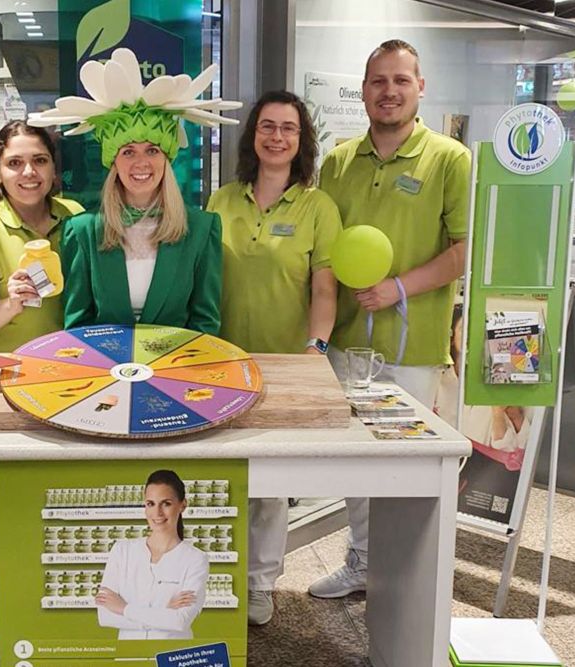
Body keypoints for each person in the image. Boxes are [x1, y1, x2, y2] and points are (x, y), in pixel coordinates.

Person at [308, 39, 471, 600]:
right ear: (363, 90)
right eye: (378, 81)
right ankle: (361, 562)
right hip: (347, 339)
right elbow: (324, 248)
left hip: (413, 343)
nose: (390, 91)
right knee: (355, 464)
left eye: (401, 80)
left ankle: (406, 577)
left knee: (409, 464)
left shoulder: (449, 158)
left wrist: (398, 287)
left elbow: (463, 249)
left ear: (420, 87)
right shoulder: (337, 161)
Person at [206, 90, 340, 624]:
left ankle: (260, 584)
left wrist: (316, 352)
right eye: (267, 126)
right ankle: (213, 576)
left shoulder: (317, 206)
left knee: (270, 485)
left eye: (288, 128)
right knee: (218, 476)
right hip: (219, 360)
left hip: (284, 362)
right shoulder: (221, 200)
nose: (277, 136)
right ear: (253, 136)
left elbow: (325, 290)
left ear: (302, 139)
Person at [28, 48, 241, 333]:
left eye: (152, 150)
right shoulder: (82, 231)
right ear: (113, 161)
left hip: (175, 369)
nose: (141, 162)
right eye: (128, 151)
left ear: (167, 159)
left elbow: (205, 323)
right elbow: (78, 324)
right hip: (105, 368)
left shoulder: (203, 228)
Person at [0, 121, 84, 350]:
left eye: (40, 160)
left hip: (81, 365)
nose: (29, 172)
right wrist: (11, 304)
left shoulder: (76, 216)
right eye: (15, 163)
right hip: (13, 372)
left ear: (53, 167)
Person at [96, 469, 209, 639]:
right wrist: (164, 613)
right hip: (130, 658)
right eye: (151, 503)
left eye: (166, 503)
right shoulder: (121, 551)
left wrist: (123, 608)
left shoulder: (195, 559)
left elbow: (180, 621)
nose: (157, 513)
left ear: (182, 505)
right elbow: (105, 616)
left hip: (172, 657)